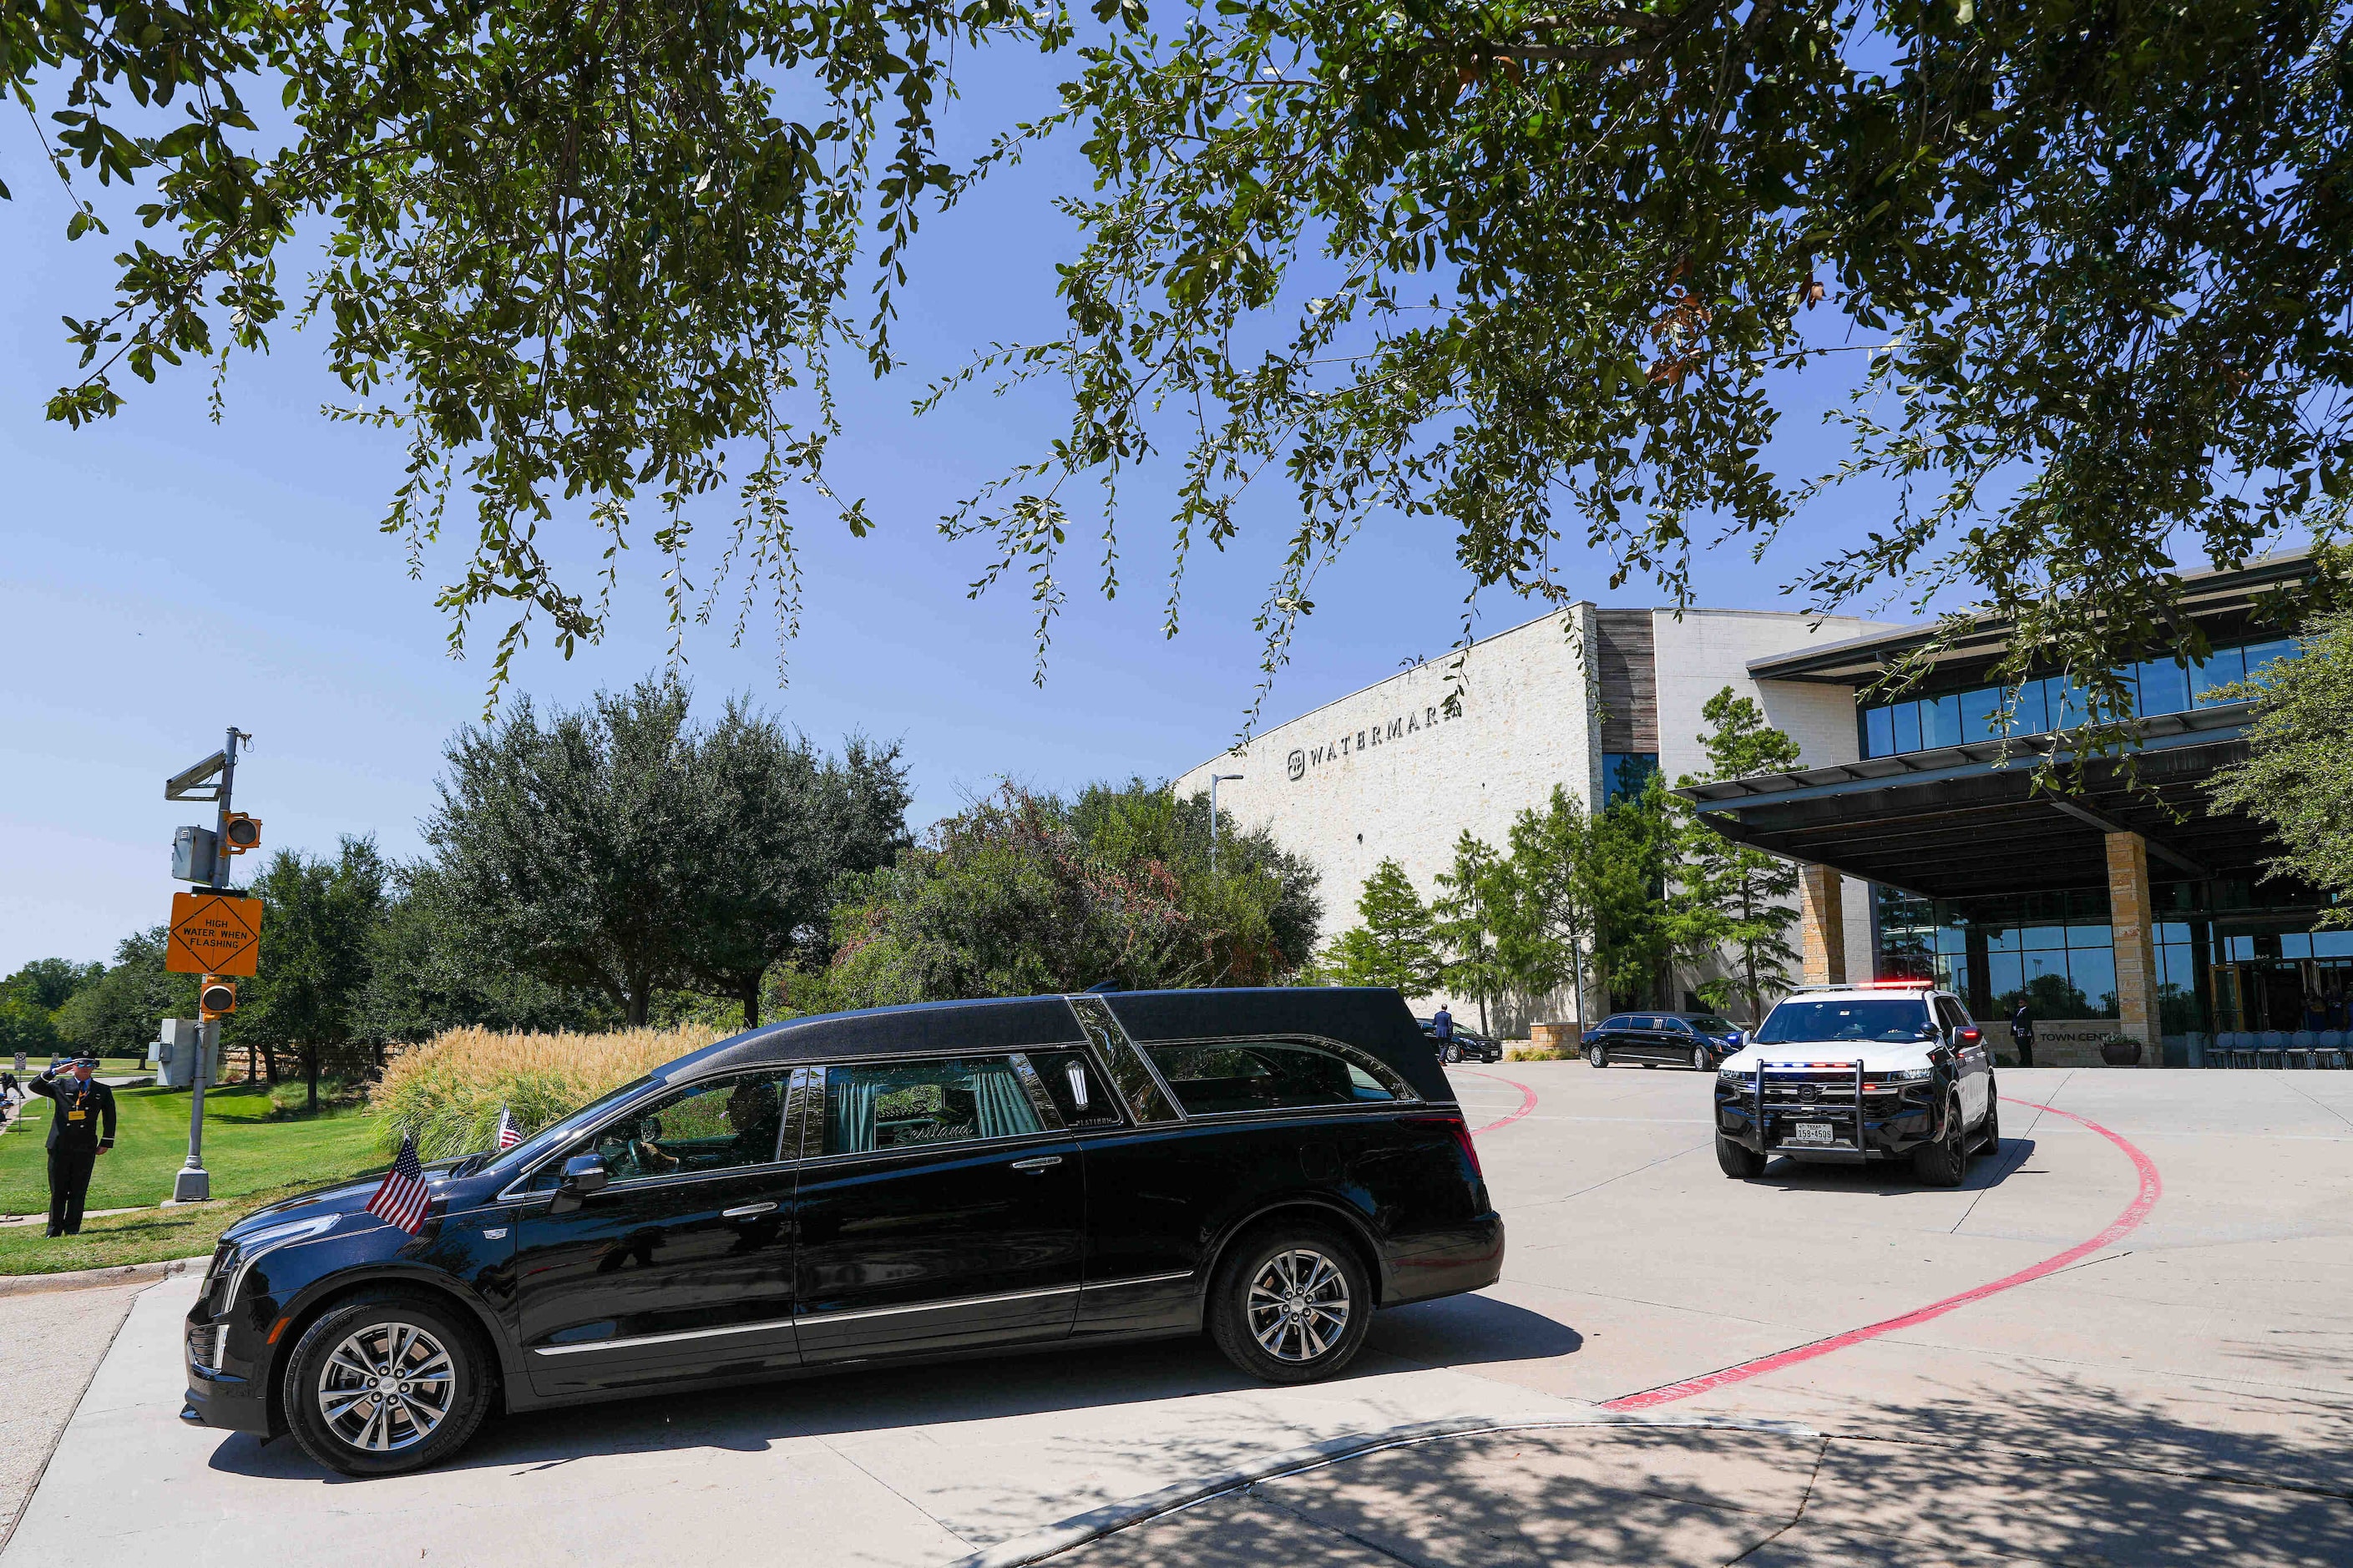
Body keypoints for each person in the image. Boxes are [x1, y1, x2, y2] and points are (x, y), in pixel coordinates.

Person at [28, 1056, 116, 1237]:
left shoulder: (102, 1090)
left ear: (94, 1068)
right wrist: (55, 1071)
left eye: (89, 1064)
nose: (85, 1067)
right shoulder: (60, 1086)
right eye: (81, 1064)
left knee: (78, 1190)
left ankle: (73, 1228)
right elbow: (34, 1086)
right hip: (60, 1145)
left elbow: (110, 1118)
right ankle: (53, 1230)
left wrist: (106, 1142)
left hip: (85, 1146)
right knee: (58, 1190)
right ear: (73, 1067)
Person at [2009, 1002, 2034, 1069]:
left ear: (2025, 1003)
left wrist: (2025, 1032)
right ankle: (2023, 1061)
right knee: (2021, 1047)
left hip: (2024, 1032)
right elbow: (2013, 1018)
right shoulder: (2017, 1011)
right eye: (2019, 1003)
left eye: (2021, 1003)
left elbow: (2028, 1022)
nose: (2019, 1004)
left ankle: (2028, 1063)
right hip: (2018, 1031)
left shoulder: (2027, 1011)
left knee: (2026, 1048)